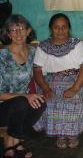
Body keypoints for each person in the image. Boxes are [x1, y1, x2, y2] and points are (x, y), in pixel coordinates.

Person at [33, 13, 83, 149]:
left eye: (64, 27)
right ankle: (60, 134)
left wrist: (75, 88)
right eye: (56, 27)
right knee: (50, 99)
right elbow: (37, 71)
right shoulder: (43, 46)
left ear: (69, 28)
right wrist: (46, 88)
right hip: (50, 81)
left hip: (76, 80)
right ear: (51, 28)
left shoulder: (77, 44)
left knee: (74, 98)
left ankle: (72, 134)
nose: (60, 30)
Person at [0, 14, 46, 158]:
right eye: (13, 30)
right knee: (21, 102)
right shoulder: (2, 56)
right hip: (3, 107)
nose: (18, 33)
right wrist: (26, 95)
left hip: (22, 105)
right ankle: (10, 144)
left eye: (21, 29)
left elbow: (44, 69)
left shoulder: (33, 52)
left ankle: (15, 139)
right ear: (8, 34)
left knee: (41, 102)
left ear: (28, 31)